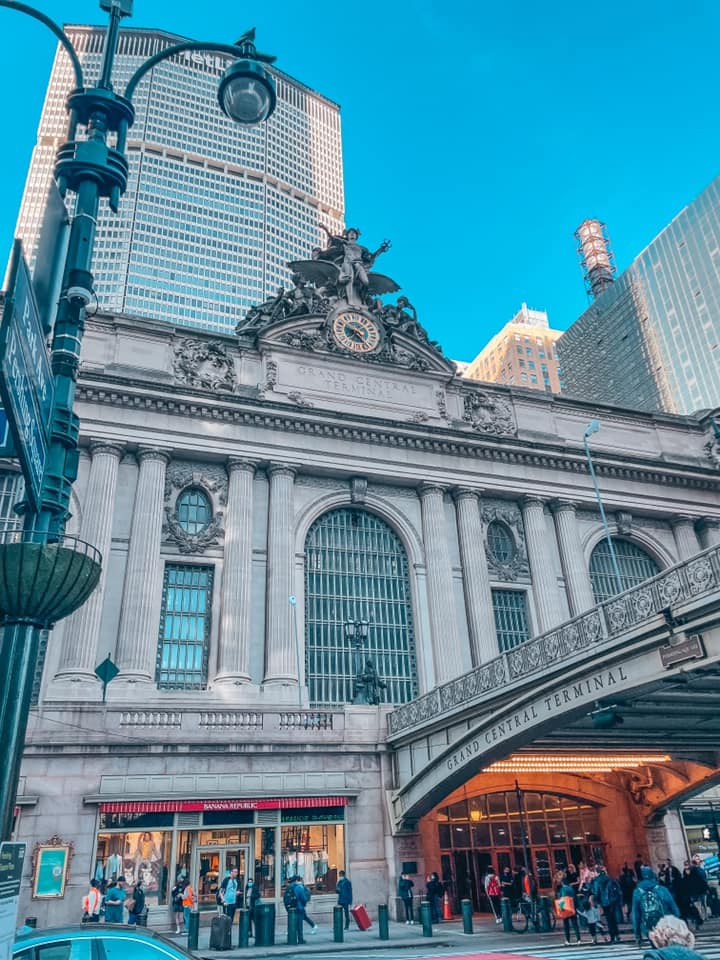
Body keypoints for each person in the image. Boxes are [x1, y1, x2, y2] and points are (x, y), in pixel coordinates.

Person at [632, 866, 680, 946]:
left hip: (648, 927)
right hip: (664, 924)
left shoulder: (637, 892)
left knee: (655, 948)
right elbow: (673, 907)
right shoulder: (662, 889)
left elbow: (635, 915)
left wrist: (637, 934)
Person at [592, 865, 622, 943]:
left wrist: (597, 902)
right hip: (612, 901)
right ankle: (617, 935)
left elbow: (597, 892)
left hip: (604, 902)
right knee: (613, 918)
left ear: (597, 872)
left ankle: (612, 936)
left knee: (609, 920)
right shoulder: (610, 878)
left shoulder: (597, 880)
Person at [556, 878, 581, 946]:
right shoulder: (571, 889)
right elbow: (575, 898)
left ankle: (568, 940)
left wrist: (560, 908)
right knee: (575, 924)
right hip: (572, 908)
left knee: (566, 925)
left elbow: (561, 899)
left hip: (565, 908)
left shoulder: (562, 889)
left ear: (562, 883)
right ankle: (578, 939)